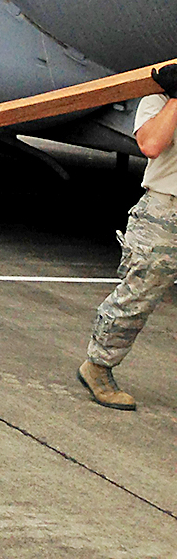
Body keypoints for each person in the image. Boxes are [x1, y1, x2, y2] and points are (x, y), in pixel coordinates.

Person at [77, 63, 177, 410]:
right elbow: (150, 144)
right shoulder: (159, 95)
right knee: (138, 296)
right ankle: (98, 366)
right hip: (166, 211)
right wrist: (176, 98)